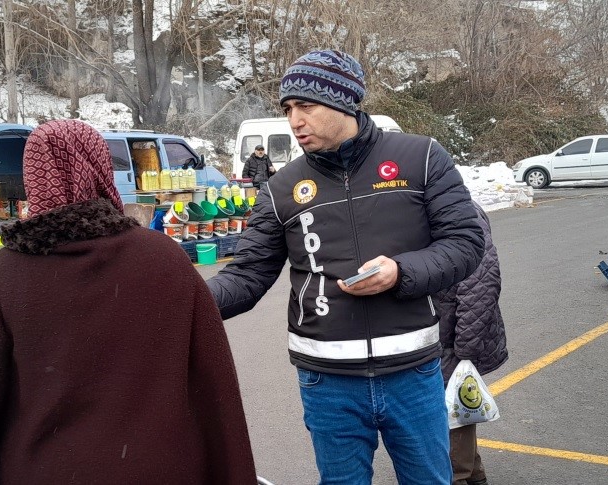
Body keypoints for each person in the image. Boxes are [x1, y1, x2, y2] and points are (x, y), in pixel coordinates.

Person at [0, 120, 256, 484]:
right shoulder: (166, 262)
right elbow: (216, 394)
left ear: (33, 179)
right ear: (100, 168)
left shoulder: (2, 277)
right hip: (159, 469)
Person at [206, 49, 485, 484]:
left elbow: (465, 242)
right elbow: (247, 274)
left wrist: (400, 272)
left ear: (344, 102)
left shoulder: (422, 158)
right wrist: (179, 297)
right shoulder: (281, 188)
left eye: (306, 106)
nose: (295, 121)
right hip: (326, 382)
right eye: (287, 109)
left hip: (412, 372)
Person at [437, 200, 508, 485]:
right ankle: (474, 474)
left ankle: (457, 477)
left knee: (452, 414)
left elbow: (481, 286)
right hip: (443, 334)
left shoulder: (458, 212)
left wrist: (464, 349)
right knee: (453, 409)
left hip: (454, 337)